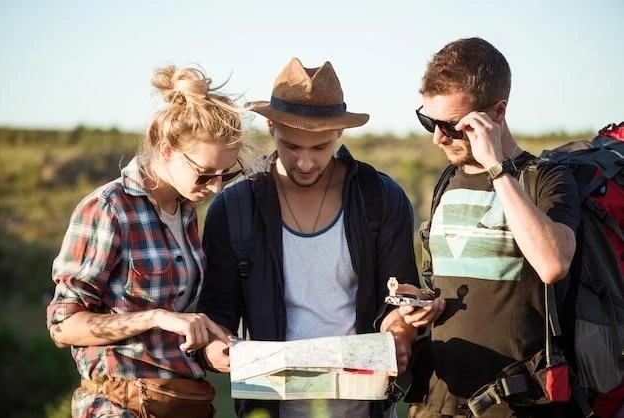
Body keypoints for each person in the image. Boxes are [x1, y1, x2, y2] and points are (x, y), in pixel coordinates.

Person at [198, 57, 444, 418]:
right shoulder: (233, 208)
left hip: (366, 407)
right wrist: (213, 349)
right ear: (270, 126)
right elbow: (218, 310)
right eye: (292, 146)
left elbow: (400, 299)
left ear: (340, 133)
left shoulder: (380, 198)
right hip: (269, 407)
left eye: (320, 148)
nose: (306, 163)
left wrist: (401, 335)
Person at [397, 37, 582, 417]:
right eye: (428, 120)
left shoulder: (546, 178)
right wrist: (421, 302)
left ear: (497, 113)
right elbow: (451, 285)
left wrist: (497, 168)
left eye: (451, 125)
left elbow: (552, 263)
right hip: (438, 402)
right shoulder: (448, 179)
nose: (437, 137)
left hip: (517, 404)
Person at [46, 64, 245, 418]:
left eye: (227, 175)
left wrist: (209, 346)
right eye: (205, 174)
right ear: (167, 150)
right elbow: (64, 326)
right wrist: (155, 317)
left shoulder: (186, 214)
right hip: (120, 405)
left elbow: (175, 330)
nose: (215, 187)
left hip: (184, 403)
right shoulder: (108, 209)